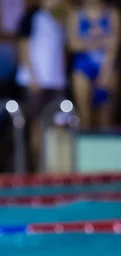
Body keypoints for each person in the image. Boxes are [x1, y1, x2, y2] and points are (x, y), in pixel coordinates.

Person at [16, 0, 68, 171]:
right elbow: (23, 46)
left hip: (56, 81)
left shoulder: (62, 17)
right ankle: (36, 169)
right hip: (34, 81)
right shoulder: (31, 15)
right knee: (37, 126)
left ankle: (52, 169)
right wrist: (32, 76)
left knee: (57, 126)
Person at [67, 0, 121, 129]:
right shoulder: (75, 14)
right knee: (84, 114)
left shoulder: (112, 13)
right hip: (83, 65)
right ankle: (85, 146)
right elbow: (73, 44)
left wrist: (107, 70)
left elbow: (115, 43)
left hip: (106, 65)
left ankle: (105, 147)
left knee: (106, 117)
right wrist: (99, 42)